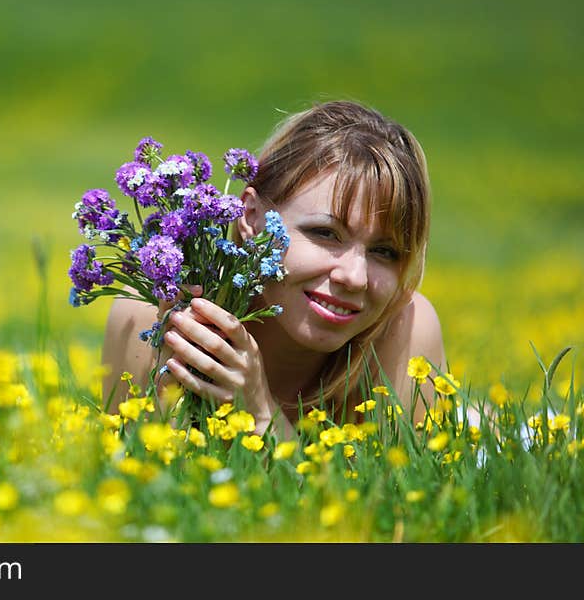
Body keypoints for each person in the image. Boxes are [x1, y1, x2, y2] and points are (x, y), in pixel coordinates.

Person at [101, 100, 446, 440]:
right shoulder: (149, 316)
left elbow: (391, 495)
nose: (355, 277)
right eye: (325, 233)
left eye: (384, 251)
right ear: (251, 216)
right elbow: (136, 480)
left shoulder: (406, 329)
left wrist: (260, 412)